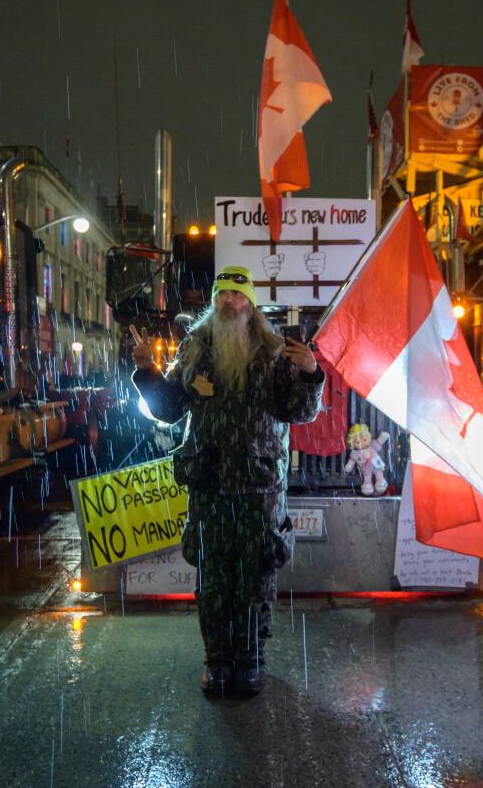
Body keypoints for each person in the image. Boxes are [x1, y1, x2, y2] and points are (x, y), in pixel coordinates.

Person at [130, 265, 324, 697]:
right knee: (214, 580)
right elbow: (168, 408)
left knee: (255, 577)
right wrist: (146, 372)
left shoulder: (275, 351)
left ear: (250, 302)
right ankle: (217, 661)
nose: (228, 302)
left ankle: (251, 659)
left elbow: (301, 411)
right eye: (222, 295)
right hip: (211, 486)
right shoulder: (195, 349)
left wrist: (311, 374)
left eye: (237, 295)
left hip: (259, 492)